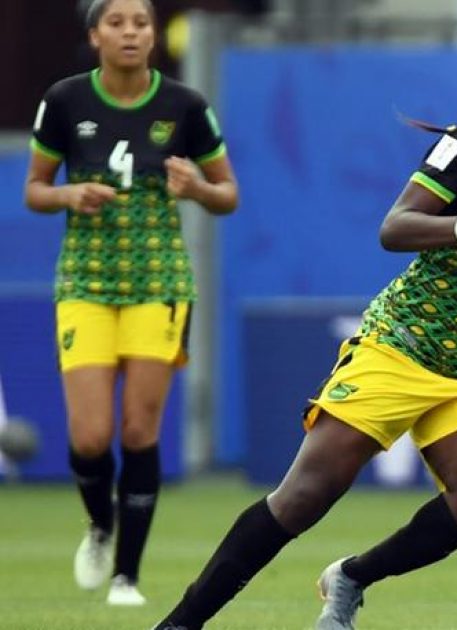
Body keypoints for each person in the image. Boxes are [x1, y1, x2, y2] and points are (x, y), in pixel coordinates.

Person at [153, 31, 457, 630]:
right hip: (400, 345)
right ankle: (178, 625)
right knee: (304, 498)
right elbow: (394, 226)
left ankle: (352, 577)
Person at [23, 0, 238, 607]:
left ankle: (127, 576)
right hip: (86, 282)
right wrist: (68, 193)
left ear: (152, 35)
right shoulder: (65, 100)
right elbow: (34, 190)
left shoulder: (185, 105)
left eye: (140, 23)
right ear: (95, 35)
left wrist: (197, 187)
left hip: (160, 282)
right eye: (116, 23)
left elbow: (228, 194)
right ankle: (98, 525)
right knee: (90, 437)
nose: (131, 33)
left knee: (140, 429)